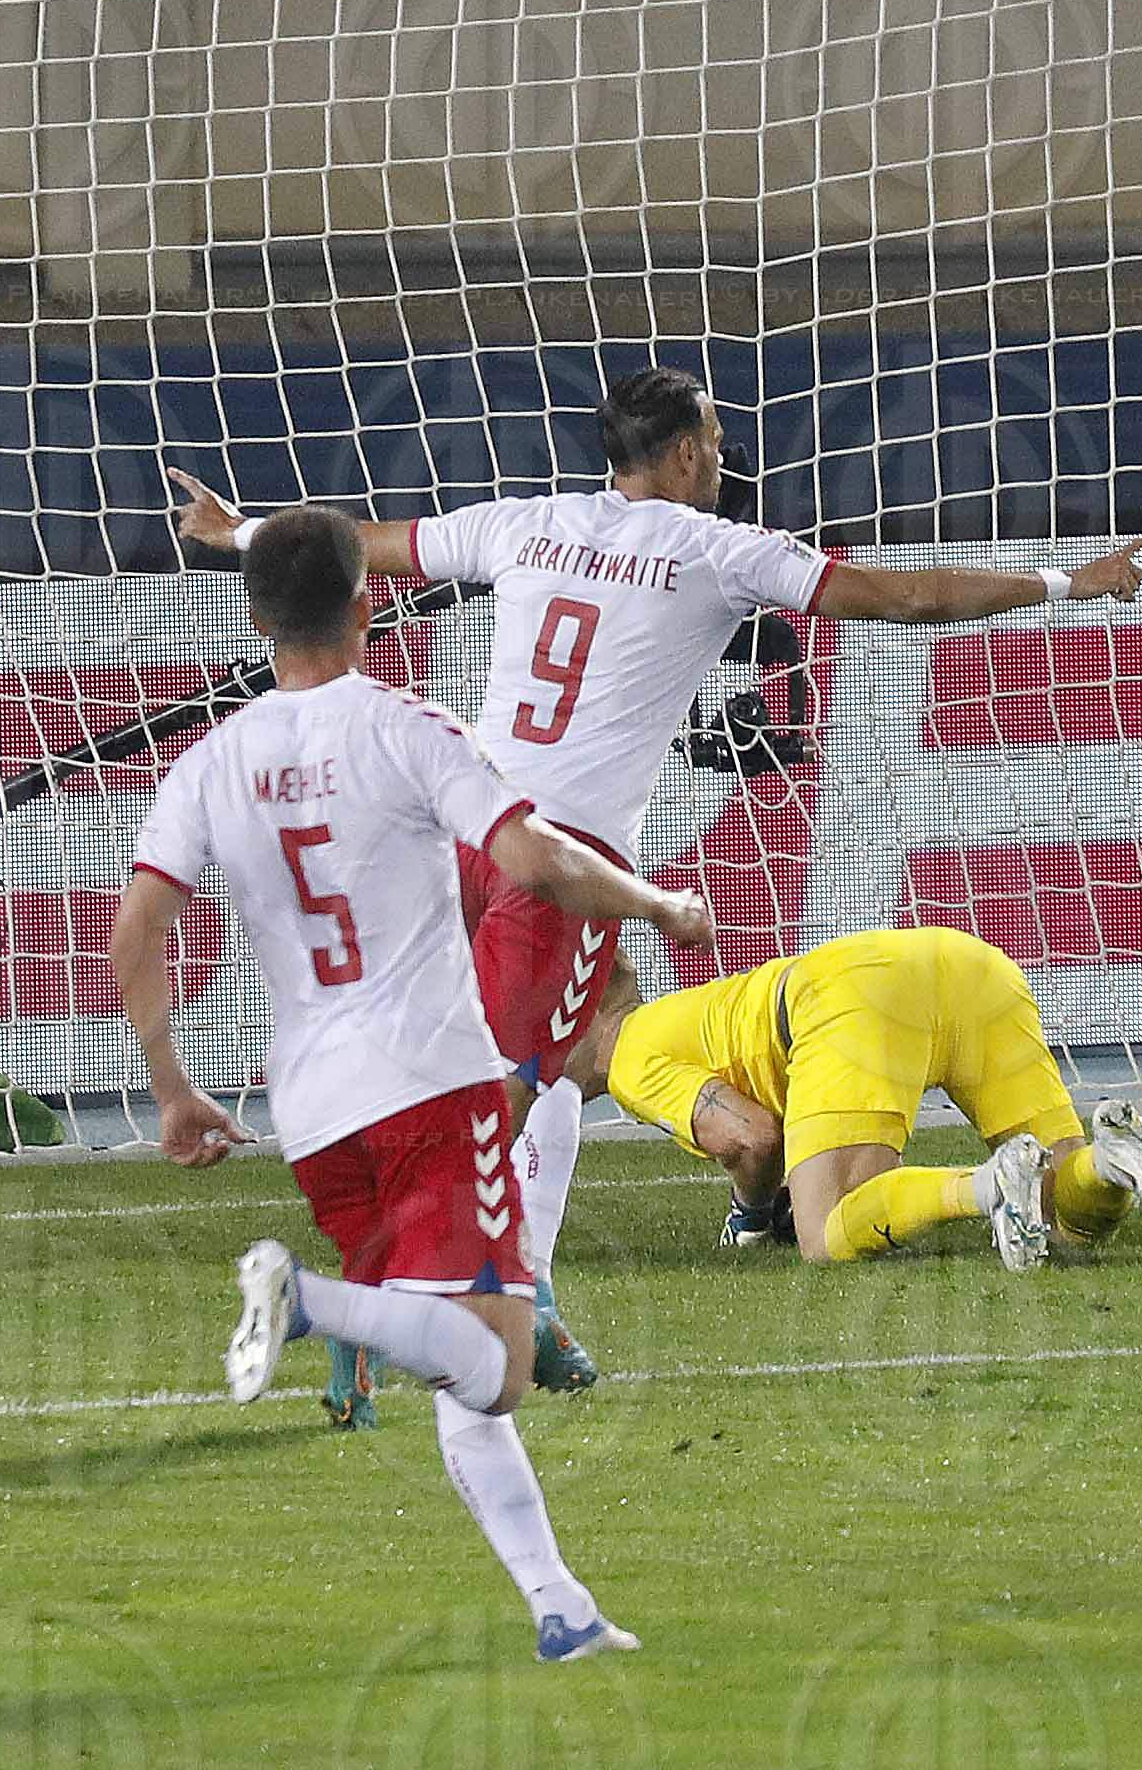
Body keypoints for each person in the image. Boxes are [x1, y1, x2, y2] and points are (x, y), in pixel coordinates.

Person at [173, 368, 1142, 1371]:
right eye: (718, 439)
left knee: (564, 1051)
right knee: (509, 1092)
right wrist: (1063, 582)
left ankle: (520, 1298)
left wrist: (246, 530)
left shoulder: (522, 522)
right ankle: (367, 1302)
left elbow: (364, 546)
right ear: (684, 451)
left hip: (458, 835)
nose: (725, 456)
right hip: (557, 863)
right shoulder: (716, 550)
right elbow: (904, 598)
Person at [110, 505, 714, 1662]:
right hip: (434, 1088)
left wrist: (169, 1084)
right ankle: (310, 1301)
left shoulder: (209, 763)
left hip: (313, 1112)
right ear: (369, 603)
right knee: (495, 1364)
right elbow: (534, 857)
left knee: (452, 1359)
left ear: (253, 618)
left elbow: (139, 926)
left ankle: (559, 1606)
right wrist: (657, 905)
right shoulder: (405, 726)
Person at [566, 924, 1142, 1267]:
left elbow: (752, 1137)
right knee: (1065, 1217)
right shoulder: (686, 1015)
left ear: (572, 1015)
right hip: (968, 964)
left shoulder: (628, 1056)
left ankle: (988, 1187)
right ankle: (1111, 1162)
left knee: (826, 1232)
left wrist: (753, 1217)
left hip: (856, 996)